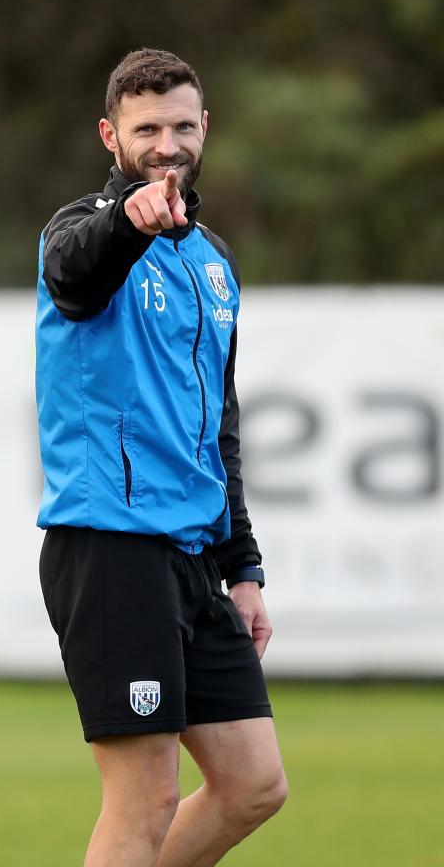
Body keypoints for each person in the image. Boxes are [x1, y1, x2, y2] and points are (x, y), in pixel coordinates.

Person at [35, 48, 288, 867]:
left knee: (253, 784)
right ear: (112, 136)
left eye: (182, 126)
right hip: (109, 547)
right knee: (145, 798)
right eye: (147, 129)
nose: (167, 145)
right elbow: (75, 277)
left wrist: (241, 568)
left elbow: (220, 428)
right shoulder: (83, 231)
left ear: (204, 128)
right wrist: (128, 222)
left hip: (191, 557)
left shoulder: (212, 262)